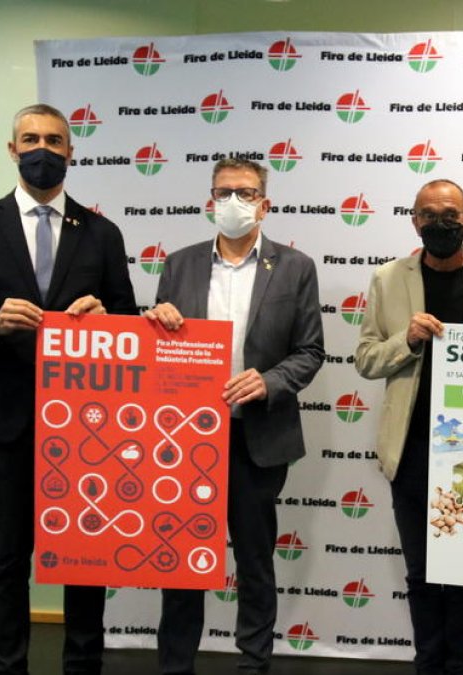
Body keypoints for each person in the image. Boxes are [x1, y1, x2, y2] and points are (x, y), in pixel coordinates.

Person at [0, 103, 137, 675]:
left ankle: (82, 666)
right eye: (31, 139)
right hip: (3, 424)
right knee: (6, 560)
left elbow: (127, 319)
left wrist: (107, 321)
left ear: (71, 151)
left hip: (87, 429)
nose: (42, 150)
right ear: (12, 149)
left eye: (54, 140)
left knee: (86, 559)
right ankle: (7, 667)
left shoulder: (101, 233)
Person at [144, 158, 324, 675]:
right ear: (210, 201)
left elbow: (310, 351)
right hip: (187, 439)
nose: (233, 203)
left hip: (257, 437)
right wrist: (156, 321)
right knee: (181, 561)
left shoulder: (295, 267)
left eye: (245, 193)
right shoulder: (179, 265)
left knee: (254, 560)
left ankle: (253, 664)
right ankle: (175, 665)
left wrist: (269, 382)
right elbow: (161, 352)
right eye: (223, 193)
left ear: (265, 205)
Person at [355, 179, 463, 675]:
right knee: (422, 572)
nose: (440, 223)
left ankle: (460, 665)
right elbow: (365, 359)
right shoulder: (388, 278)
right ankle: (428, 663)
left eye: (450, 214)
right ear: (414, 221)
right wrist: (405, 341)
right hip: (412, 449)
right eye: (428, 214)